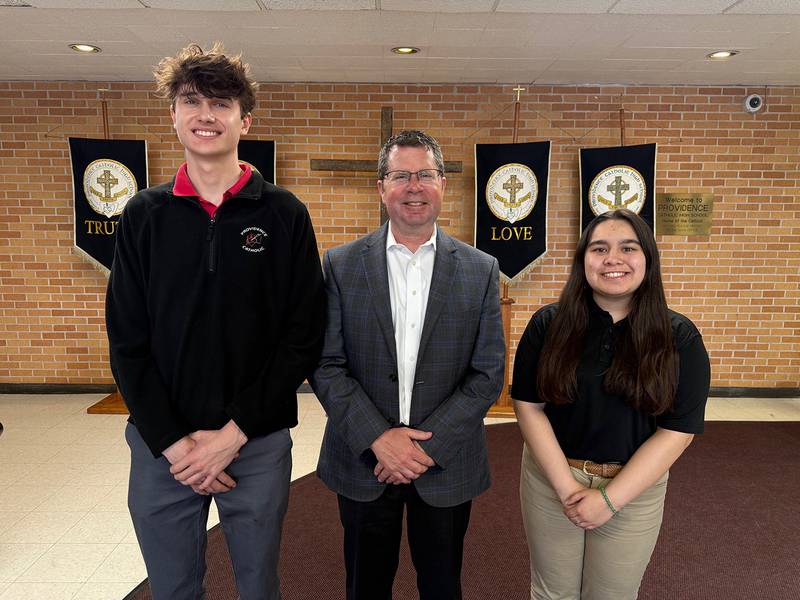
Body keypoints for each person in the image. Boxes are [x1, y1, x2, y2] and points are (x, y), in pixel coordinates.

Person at [105, 42, 325, 600]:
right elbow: (127, 341)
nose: (206, 115)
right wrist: (176, 445)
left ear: (244, 120)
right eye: (192, 101)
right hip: (162, 447)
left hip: (254, 443)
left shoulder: (284, 214)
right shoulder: (143, 216)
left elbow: (302, 336)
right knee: (173, 587)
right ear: (173, 115)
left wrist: (233, 436)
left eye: (222, 104)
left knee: (258, 586)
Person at [311, 130, 505, 600]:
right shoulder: (339, 265)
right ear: (381, 188)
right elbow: (325, 364)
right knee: (365, 586)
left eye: (425, 175)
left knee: (442, 586)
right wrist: (380, 439)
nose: (413, 186)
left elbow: (487, 374)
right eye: (400, 175)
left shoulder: (480, 269)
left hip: (444, 461)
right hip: (363, 459)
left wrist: (421, 448)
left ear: (442, 184)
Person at [512, 208, 710, 600]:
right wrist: (567, 488)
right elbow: (528, 406)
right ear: (583, 259)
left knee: (612, 594)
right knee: (552, 593)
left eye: (628, 248)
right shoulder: (547, 325)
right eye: (599, 248)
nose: (612, 259)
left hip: (633, 486)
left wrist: (609, 500)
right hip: (553, 477)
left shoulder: (679, 337)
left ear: (648, 260)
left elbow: (679, 430)